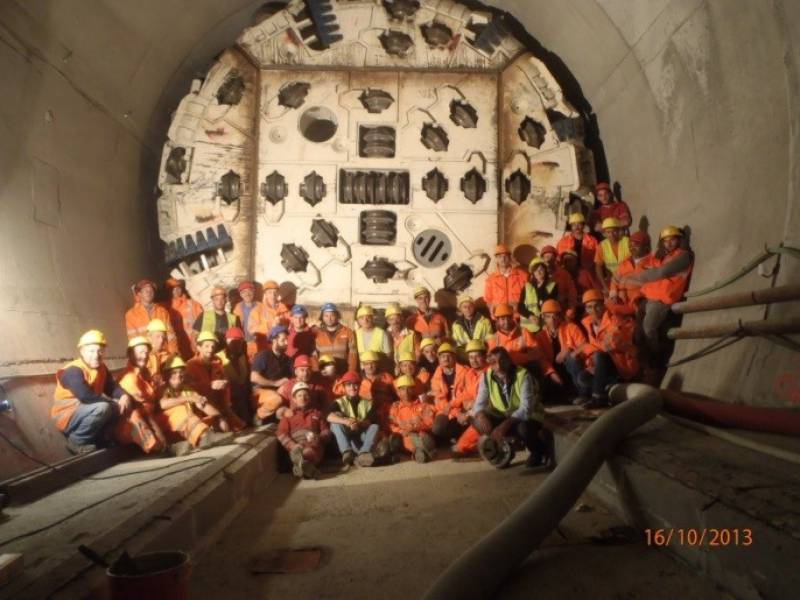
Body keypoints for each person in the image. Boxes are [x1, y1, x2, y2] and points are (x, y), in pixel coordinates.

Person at [622, 226, 694, 366]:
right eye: (665, 241)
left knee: (649, 328)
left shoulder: (684, 256)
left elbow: (661, 273)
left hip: (662, 300)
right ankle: (643, 364)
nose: (669, 243)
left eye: (672, 239)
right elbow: (650, 267)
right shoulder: (665, 256)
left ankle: (657, 359)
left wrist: (633, 278)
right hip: (650, 297)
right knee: (638, 333)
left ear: (679, 239)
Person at [472, 347, 553, 469]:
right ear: (489, 363)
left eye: (502, 361)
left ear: (509, 360)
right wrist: (481, 415)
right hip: (504, 414)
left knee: (523, 428)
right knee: (478, 421)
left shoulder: (523, 375)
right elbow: (479, 403)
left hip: (529, 415)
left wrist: (504, 425)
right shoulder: (486, 376)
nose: (498, 365)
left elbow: (525, 409)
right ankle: (503, 447)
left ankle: (538, 451)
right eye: (494, 362)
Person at [52, 330, 131, 455]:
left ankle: (101, 440)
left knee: (119, 405)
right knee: (104, 407)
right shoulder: (73, 370)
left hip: (85, 411)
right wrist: (112, 404)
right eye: (91, 351)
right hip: (67, 416)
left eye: (100, 351)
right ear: (82, 351)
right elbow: (85, 397)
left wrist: (123, 396)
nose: (96, 355)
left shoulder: (101, 368)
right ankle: (76, 442)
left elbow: (112, 387)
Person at [157, 355, 235, 456]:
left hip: (186, 430)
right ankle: (204, 437)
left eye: (181, 372)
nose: (178, 375)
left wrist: (219, 418)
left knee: (213, 419)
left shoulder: (187, 389)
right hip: (168, 432)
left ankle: (203, 438)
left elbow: (203, 404)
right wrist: (189, 399)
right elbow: (163, 404)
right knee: (180, 409)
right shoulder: (162, 389)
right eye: (174, 372)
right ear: (167, 375)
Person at [576, 289, 639, 408]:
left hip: (621, 363)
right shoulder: (587, 323)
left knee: (599, 355)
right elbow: (598, 347)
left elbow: (610, 345)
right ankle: (610, 385)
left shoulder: (614, 320)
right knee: (582, 378)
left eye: (597, 306)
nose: (593, 310)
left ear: (603, 305)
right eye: (589, 307)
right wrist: (592, 365)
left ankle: (598, 397)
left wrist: (586, 347)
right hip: (603, 365)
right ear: (586, 309)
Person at [115, 337, 169, 454]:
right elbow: (141, 410)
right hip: (133, 425)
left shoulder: (145, 374)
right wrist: (160, 434)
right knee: (137, 416)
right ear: (130, 354)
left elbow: (153, 401)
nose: (144, 356)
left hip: (149, 417)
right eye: (140, 352)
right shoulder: (129, 378)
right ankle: (157, 448)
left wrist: (159, 389)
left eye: (146, 352)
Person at [186, 331, 246, 432]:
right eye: (206, 346)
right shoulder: (190, 365)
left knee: (239, 428)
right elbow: (189, 388)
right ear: (199, 347)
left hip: (220, 403)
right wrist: (210, 385)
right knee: (224, 426)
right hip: (202, 406)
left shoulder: (217, 362)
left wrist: (225, 385)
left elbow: (225, 382)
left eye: (213, 346)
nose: (210, 349)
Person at [534, 300, 588, 402]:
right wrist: (551, 373)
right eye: (548, 316)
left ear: (560, 316)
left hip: (570, 367)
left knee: (572, 360)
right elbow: (541, 359)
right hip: (553, 369)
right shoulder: (540, 336)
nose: (552, 319)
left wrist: (570, 350)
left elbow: (584, 345)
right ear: (543, 318)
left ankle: (583, 393)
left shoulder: (571, 327)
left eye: (555, 315)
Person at [327, 371, 383, 468]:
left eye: (355, 384)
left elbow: (370, 421)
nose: (352, 388)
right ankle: (347, 452)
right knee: (334, 424)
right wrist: (346, 421)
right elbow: (329, 416)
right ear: (344, 387)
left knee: (374, 427)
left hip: (361, 436)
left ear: (360, 385)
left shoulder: (368, 403)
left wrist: (358, 423)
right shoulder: (338, 402)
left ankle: (363, 453)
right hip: (347, 437)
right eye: (349, 385)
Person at [277, 382, 331, 479]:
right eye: (299, 395)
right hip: (295, 444)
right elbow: (281, 434)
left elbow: (326, 431)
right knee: (298, 451)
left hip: (313, 445)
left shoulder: (317, 413)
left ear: (310, 397)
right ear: (294, 399)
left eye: (306, 395)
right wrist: (293, 445)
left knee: (308, 451)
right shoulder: (288, 415)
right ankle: (304, 468)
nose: (303, 398)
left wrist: (318, 437)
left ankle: (299, 466)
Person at [428, 342, 471, 445]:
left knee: (468, 418)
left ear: (454, 357)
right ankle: (454, 438)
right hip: (446, 411)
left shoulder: (465, 371)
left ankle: (464, 437)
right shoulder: (436, 377)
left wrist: (454, 406)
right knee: (437, 429)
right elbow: (440, 402)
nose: (446, 359)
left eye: (449, 356)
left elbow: (468, 392)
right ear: (439, 359)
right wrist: (456, 413)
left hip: (463, 407)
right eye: (443, 356)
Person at [452, 340, 489, 456]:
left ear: (485, 356)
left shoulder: (490, 373)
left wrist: (468, 412)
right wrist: (458, 409)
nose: (474, 360)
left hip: (484, 411)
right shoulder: (470, 374)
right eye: (471, 357)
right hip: (471, 409)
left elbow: (484, 401)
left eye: (477, 356)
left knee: (460, 448)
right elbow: (465, 395)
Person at [389, 375, 437, 463]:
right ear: (398, 392)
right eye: (402, 389)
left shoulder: (423, 405)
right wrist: (401, 431)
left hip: (420, 436)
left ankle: (420, 452)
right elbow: (391, 425)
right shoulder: (395, 407)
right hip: (403, 439)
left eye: (408, 389)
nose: (406, 392)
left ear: (413, 390)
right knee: (395, 438)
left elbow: (430, 422)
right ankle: (422, 452)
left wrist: (415, 428)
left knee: (419, 436)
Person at [250, 325, 293, 424]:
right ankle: (258, 416)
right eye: (283, 340)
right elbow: (254, 377)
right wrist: (275, 383)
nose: (286, 343)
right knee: (276, 399)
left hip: (278, 392)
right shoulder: (263, 356)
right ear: (274, 340)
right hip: (259, 392)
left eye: (287, 340)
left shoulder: (287, 359)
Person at [609, 231, 655, 315]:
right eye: (630, 245)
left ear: (646, 246)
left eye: (636, 245)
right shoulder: (625, 262)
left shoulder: (654, 262)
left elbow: (655, 285)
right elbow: (614, 280)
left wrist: (638, 296)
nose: (632, 247)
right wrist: (614, 295)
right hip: (622, 301)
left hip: (641, 301)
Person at [125, 279, 177, 353]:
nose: (149, 293)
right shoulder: (131, 315)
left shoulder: (162, 311)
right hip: (145, 356)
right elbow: (134, 340)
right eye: (145, 290)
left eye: (151, 290)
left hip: (163, 355)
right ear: (139, 294)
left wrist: (173, 355)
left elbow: (171, 336)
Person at [217, 327, 252, 424]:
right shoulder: (218, 357)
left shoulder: (242, 356)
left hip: (242, 395)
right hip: (226, 396)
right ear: (226, 341)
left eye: (239, 341)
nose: (237, 344)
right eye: (233, 341)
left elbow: (245, 378)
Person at [483, 244, 528, 317]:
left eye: (505, 256)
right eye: (500, 256)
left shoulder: (523, 276)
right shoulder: (490, 280)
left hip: (519, 317)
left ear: (510, 257)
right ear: (496, 259)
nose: (503, 259)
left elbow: (529, 297)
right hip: (500, 319)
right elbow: (488, 301)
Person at [314, 303, 358, 373]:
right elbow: (314, 355)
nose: (329, 318)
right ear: (322, 317)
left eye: (332, 315)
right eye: (326, 316)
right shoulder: (317, 333)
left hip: (342, 371)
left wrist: (351, 372)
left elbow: (353, 354)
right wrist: (316, 372)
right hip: (324, 372)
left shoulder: (347, 332)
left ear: (337, 316)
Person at [165, 277, 202, 360]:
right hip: (180, 350)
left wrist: (197, 339)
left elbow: (202, 322)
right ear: (168, 291)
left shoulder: (192, 304)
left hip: (196, 345)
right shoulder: (165, 309)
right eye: (172, 289)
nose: (176, 290)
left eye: (178, 288)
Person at [518, 258, 558, 332]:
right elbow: (520, 307)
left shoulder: (552, 286)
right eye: (536, 270)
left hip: (545, 327)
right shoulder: (527, 287)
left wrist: (543, 285)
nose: (538, 272)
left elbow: (552, 307)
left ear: (545, 271)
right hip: (528, 329)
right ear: (533, 273)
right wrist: (530, 316)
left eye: (541, 270)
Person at [249, 280, 290, 353]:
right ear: (265, 294)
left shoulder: (284, 310)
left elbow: (291, 327)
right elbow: (251, 329)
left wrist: (282, 323)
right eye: (270, 292)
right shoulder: (257, 310)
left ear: (278, 294)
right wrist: (270, 325)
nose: (273, 295)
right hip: (264, 349)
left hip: (282, 349)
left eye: (275, 292)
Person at [557, 213, 599, 282]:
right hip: (569, 273)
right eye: (574, 225)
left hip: (588, 274)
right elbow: (558, 259)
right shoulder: (563, 241)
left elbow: (598, 260)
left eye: (579, 224)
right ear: (571, 227)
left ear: (583, 225)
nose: (577, 227)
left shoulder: (592, 240)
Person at [595, 217, 631, 293]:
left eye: (614, 231)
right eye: (608, 232)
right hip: (611, 280)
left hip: (629, 279)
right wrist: (605, 286)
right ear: (604, 234)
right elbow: (598, 267)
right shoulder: (601, 246)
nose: (611, 234)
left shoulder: (628, 242)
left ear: (618, 231)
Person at [539, 246, 578, 312]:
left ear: (555, 258)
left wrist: (571, 310)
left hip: (561, 310)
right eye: (546, 257)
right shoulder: (537, 274)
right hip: (544, 311)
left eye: (551, 257)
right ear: (542, 259)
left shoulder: (564, 274)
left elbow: (572, 294)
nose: (549, 259)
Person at [232, 281, 262, 358]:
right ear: (240, 294)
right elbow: (235, 327)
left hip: (260, 343)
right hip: (244, 344)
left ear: (254, 291)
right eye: (244, 292)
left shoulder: (261, 306)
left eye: (250, 290)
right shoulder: (237, 308)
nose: (247, 294)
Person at [145, 319, 173, 389]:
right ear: (149, 338)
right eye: (157, 336)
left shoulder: (168, 356)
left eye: (163, 337)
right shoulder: (143, 357)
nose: (161, 340)